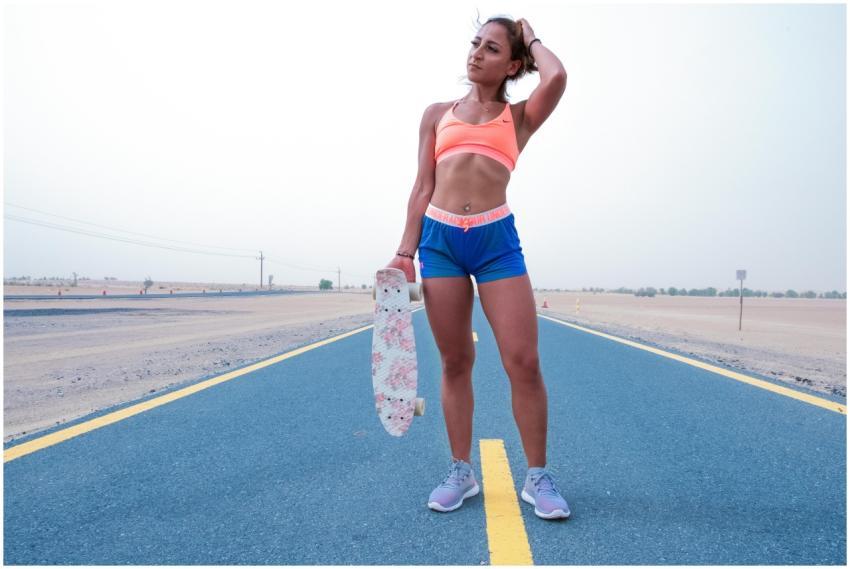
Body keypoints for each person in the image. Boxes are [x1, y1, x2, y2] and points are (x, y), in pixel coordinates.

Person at [386, 16, 570, 520]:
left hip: (495, 243)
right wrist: (404, 252)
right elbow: (423, 186)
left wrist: (530, 37)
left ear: (512, 65)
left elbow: (555, 76)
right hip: (440, 242)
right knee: (455, 362)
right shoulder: (436, 114)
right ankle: (460, 471)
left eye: (491, 48)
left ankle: (538, 477)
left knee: (523, 361)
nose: (476, 53)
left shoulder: (519, 117)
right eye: (475, 43)